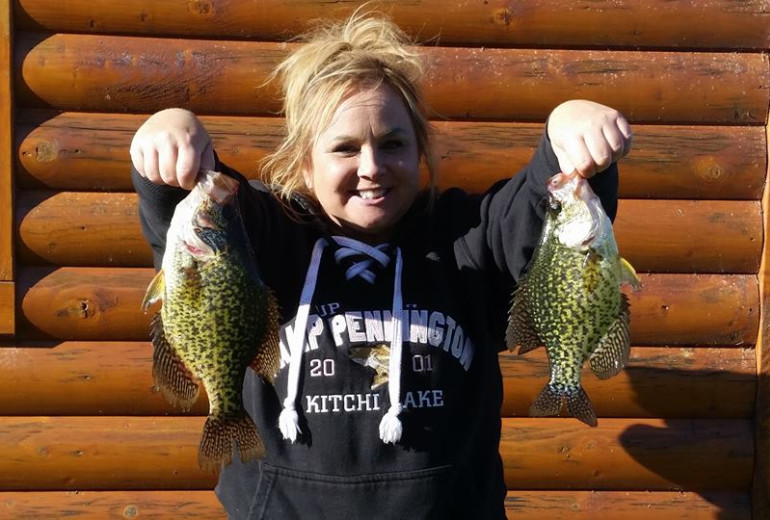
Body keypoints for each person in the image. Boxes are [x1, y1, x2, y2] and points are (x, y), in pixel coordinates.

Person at [130, 11, 632, 520]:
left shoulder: (465, 237)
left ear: (419, 150)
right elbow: (201, 223)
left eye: (392, 144)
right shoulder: (269, 237)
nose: (371, 167)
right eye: (345, 148)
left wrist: (567, 134)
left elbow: (537, 221)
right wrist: (173, 134)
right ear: (304, 161)